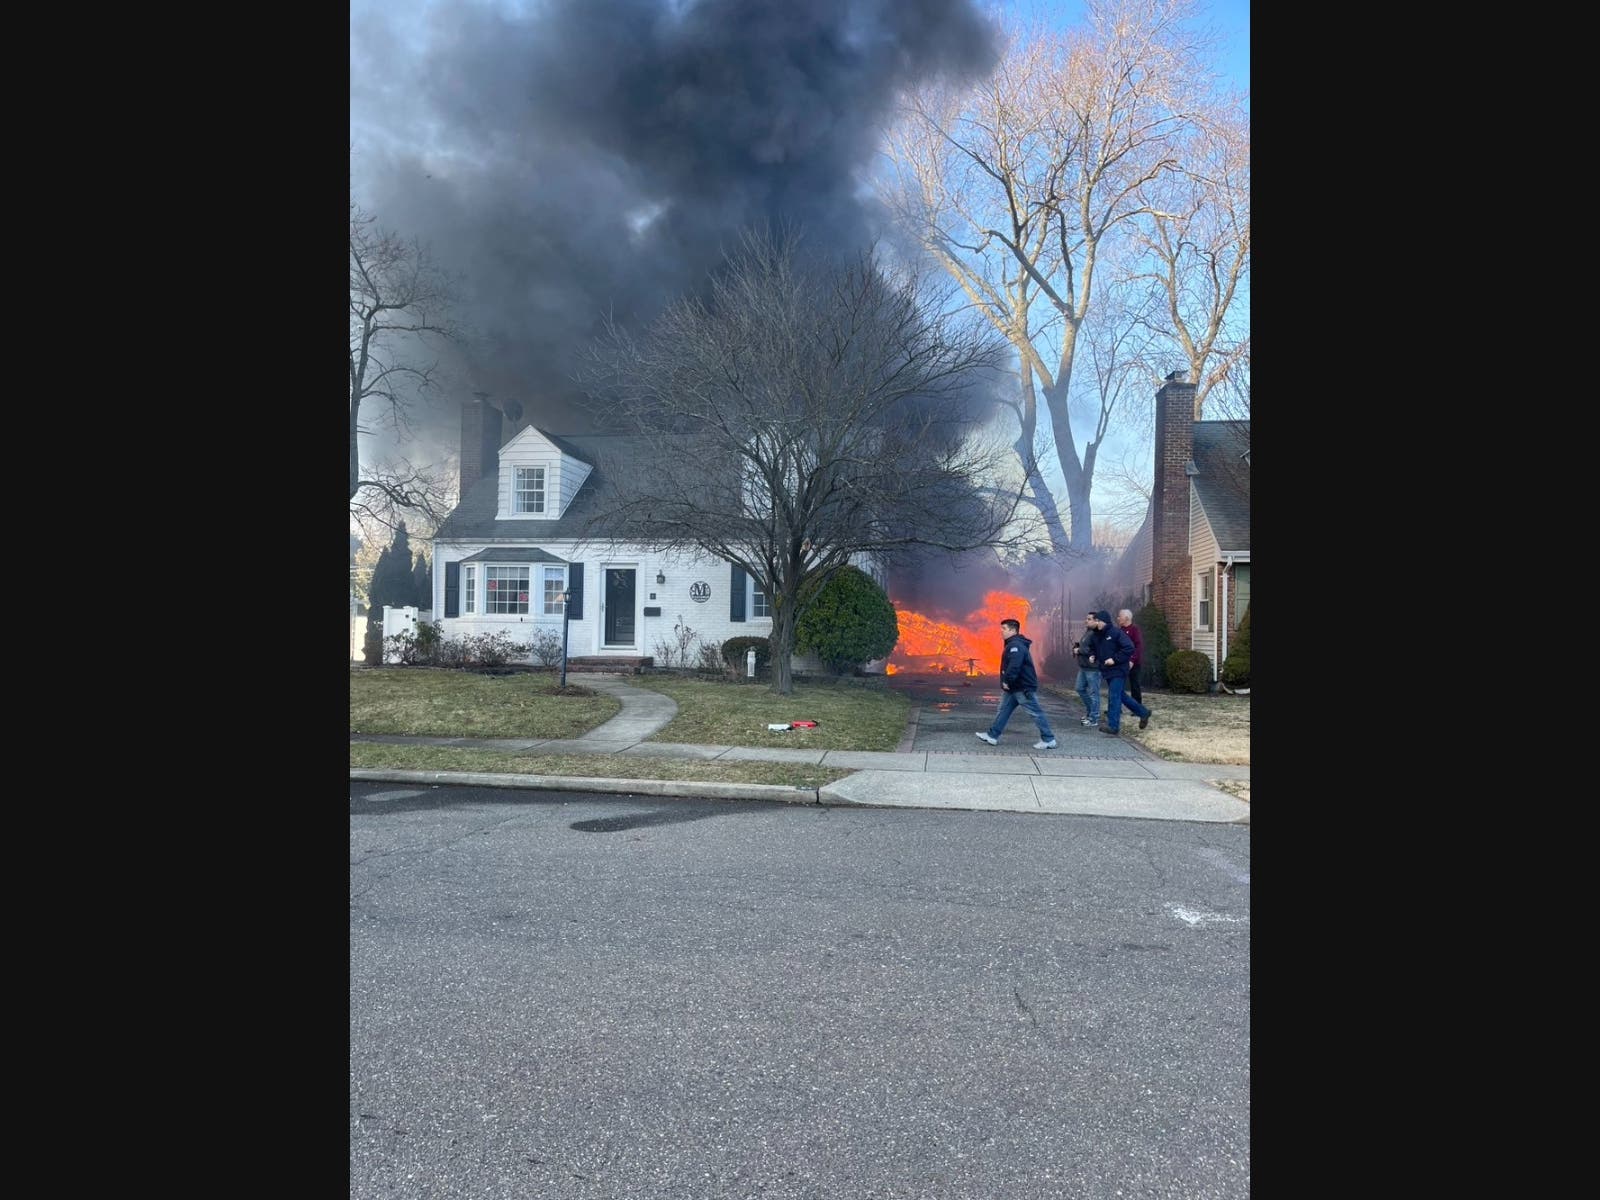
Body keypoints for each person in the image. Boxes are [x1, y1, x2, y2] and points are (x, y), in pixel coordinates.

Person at [975, 616, 1057, 750]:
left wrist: (1007, 680)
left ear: (1013, 630)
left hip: (1022, 687)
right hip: (1015, 687)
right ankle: (992, 735)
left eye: (1004, 629)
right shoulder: (1013, 644)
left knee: (1035, 712)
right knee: (1003, 710)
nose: (1001, 631)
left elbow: (1014, 666)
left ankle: (1049, 739)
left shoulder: (1015, 646)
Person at [1092, 610, 1151, 736]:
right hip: (1108, 671)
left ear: (1104, 621)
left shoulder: (1116, 633)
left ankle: (1113, 726)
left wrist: (1114, 659)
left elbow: (1129, 647)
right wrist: (1094, 656)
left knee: (1114, 696)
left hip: (1119, 670)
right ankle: (1143, 712)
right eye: (1095, 621)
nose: (1096, 623)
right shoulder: (1098, 635)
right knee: (1121, 696)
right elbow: (1099, 650)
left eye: (1098, 621)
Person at [1071, 613, 1102, 727]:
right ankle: (1090, 712)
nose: (1086, 621)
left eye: (1089, 619)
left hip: (1093, 668)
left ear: (1096, 621)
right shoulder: (1088, 632)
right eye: (1086, 619)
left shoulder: (1097, 633)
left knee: (1094, 693)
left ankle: (1094, 718)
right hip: (1084, 667)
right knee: (1079, 688)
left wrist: (1079, 650)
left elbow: (1093, 649)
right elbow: (1086, 646)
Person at [1117, 607, 1146, 708]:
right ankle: (1116, 708)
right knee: (1118, 685)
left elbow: (1139, 646)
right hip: (1121, 663)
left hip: (1134, 664)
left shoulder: (1134, 629)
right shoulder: (1120, 630)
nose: (1118, 618)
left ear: (1126, 618)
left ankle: (1137, 707)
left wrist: (1132, 660)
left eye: (1119, 616)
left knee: (1135, 686)